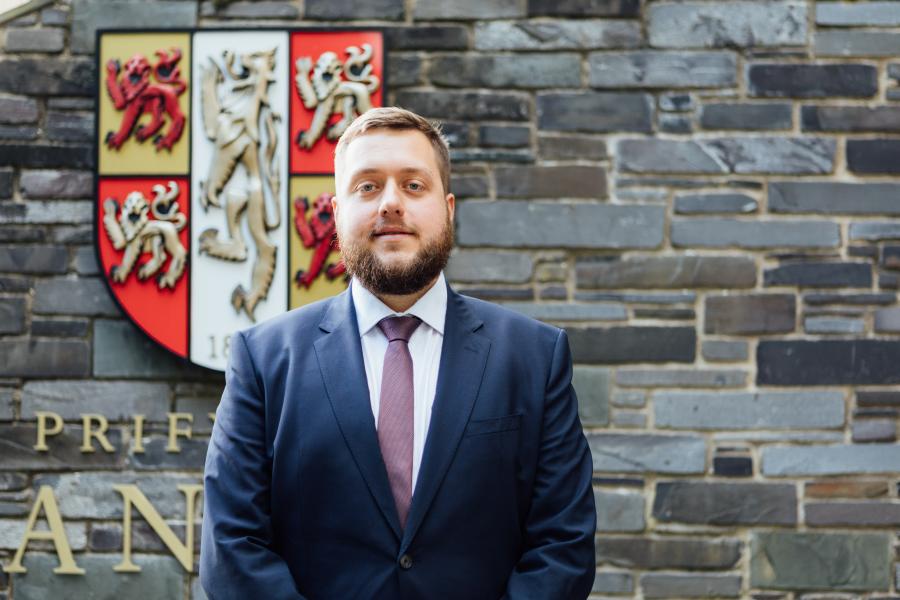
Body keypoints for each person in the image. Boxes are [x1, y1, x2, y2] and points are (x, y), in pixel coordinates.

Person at [200, 107, 596, 599]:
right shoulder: (263, 360)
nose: (390, 203)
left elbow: (564, 545)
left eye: (413, 185)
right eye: (367, 186)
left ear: (448, 208)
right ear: (336, 212)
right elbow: (232, 547)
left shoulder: (535, 358)